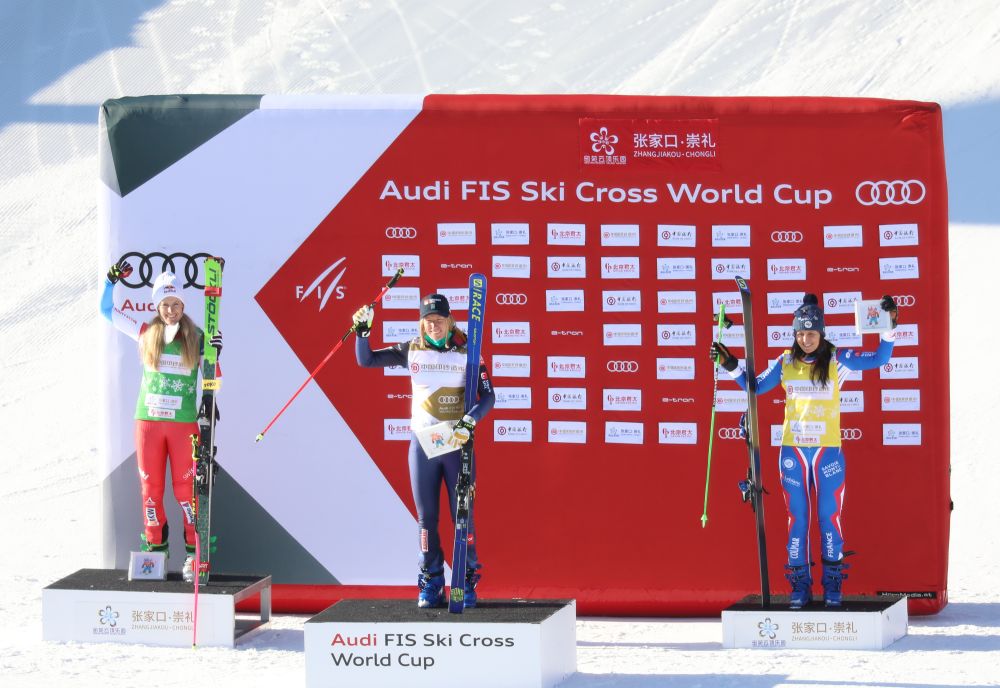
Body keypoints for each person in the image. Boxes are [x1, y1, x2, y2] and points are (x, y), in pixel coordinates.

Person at [711, 293, 899, 608]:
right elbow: (754, 386)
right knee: (797, 518)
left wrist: (888, 327)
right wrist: (729, 363)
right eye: (800, 333)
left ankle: (833, 583)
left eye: (811, 333)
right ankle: (800, 585)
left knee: (829, 516)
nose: (805, 340)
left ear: (821, 333)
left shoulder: (838, 359)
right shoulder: (786, 361)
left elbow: (880, 359)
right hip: (793, 452)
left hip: (827, 452)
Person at [354, 293, 495, 608]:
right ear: (422, 323)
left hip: (456, 442)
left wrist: (470, 420)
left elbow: (488, 396)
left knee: (462, 516)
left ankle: (466, 580)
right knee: (426, 518)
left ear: (449, 320)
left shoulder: (468, 350)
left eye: (439, 320)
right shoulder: (412, 349)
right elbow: (367, 360)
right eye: (428, 321)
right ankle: (431, 582)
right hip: (423, 443)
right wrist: (363, 333)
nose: (434, 326)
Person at [101, 259, 221, 582]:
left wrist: (215, 355)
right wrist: (111, 282)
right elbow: (106, 311)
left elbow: (215, 379)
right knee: (151, 490)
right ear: (157, 306)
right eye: (165, 304)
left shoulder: (197, 336)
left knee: (187, 492)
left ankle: (195, 553)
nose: (171, 310)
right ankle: (155, 550)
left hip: (183, 425)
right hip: (148, 424)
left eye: (176, 304)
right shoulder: (145, 332)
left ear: (183, 305)